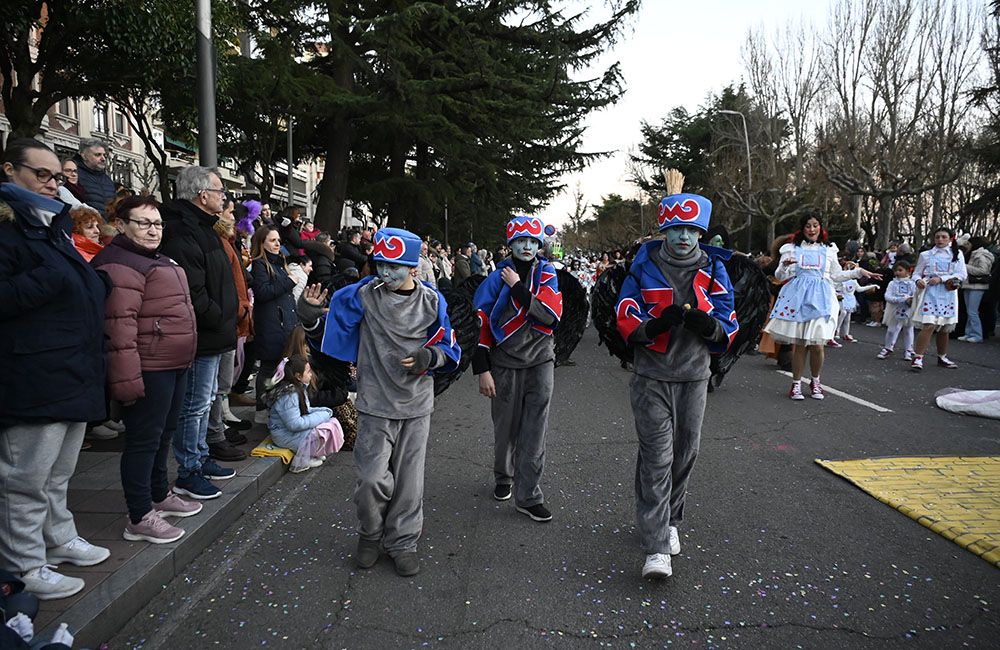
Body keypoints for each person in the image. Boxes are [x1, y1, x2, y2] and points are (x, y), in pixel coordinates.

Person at [0, 139, 111, 599]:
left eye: (56, 175)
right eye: (41, 174)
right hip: (33, 375)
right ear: (10, 170)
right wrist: (55, 278)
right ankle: (25, 566)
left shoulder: (52, 226)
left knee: (57, 473)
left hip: (70, 367)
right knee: (25, 480)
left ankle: (58, 539)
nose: (54, 182)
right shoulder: (10, 231)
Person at [614, 179, 739, 579]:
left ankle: (668, 520)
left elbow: (728, 319)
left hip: (694, 377)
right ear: (663, 231)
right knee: (657, 457)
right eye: (676, 229)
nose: (684, 237)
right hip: (651, 376)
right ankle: (655, 548)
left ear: (701, 233)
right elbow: (626, 314)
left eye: (691, 230)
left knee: (685, 454)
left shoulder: (715, 268)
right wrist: (653, 326)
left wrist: (712, 327)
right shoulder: (643, 267)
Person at [320, 228, 461, 577]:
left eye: (395, 266)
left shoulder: (432, 301)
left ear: (413, 266)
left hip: (415, 406)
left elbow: (450, 347)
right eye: (381, 264)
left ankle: (402, 542)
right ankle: (370, 534)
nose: (386, 273)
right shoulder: (364, 295)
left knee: (410, 484)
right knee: (371, 479)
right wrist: (307, 313)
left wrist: (431, 357)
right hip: (374, 404)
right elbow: (332, 319)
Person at [91, 195, 203, 544]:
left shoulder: (154, 257)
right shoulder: (120, 263)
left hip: (174, 364)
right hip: (149, 367)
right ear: (122, 225)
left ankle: (159, 494)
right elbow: (120, 329)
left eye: (157, 223)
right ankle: (139, 515)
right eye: (144, 223)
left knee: (163, 434)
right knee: (143, 441)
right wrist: (127, 380)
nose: (153, 230)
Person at [473, 216, 563, 523]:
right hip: (504, 363)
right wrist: (482, 368)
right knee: (505, 429)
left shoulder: (548, 273)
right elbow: (481, 323)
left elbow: (550, 316)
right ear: (510, 245)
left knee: (535, 430)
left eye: (532, 241)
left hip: (540, 360)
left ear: (539, 246)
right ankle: (504, 476)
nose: (527, 246)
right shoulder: (494, 278)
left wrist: (518, 288)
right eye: (520, 241)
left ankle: (529, 495)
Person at [159, 166, 239, 500]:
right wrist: (218, 317)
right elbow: (193, 289)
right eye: (221, 190)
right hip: (204, 333)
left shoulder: (204, 228)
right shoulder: (182, 230)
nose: (225, 197)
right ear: (202, 195)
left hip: (214, 331)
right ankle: (188, 471)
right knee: (194, 405)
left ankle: (200, 457)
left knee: (204, 402)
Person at [763, 215, 881, 400]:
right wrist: (784, 266)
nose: (812, 229)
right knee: (801, 344)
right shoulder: (791, 249)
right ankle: (796, 384)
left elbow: (836, 275)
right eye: (808, 226)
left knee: (817, 344)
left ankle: (815, 380)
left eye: (815, 225)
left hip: (823, 298)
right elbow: (779, 273)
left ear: (820, 228)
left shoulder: (828, 250)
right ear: (802, 229)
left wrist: (859, 272)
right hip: (798, 298)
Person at [204, 196, 252, 463]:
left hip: (230, 319)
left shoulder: (227, 242)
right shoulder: (219, 243)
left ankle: (219, 426)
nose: (234, 218)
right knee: (211, 387)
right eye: (230, 212)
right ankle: (214, 434)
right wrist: (237, 309)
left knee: (220, 383)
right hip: (224, 320)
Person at [250, 226, 298, 423]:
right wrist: (289, 281)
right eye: (272, 240)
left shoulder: (280, 262)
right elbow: (262, 292)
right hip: (270, 325)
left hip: (284, 324)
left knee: (281, 365)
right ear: (262, 243)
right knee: (268, 367)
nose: (277, 244)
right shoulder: (260, 264)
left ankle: (276, 408)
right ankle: (261, 409)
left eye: (279, 240)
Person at [264, 355, 343, 473]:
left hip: (288, 432)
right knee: (324, 430)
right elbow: (295, 424)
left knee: (331, 422)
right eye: (308, 371)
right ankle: (304, 457)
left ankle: (311, 452)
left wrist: (325, 412)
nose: (311, 374)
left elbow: (306, 409)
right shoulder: (289, 395)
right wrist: (323, 415)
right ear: (298, 376)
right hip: (284, 435)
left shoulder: (298, 388)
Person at [910, 227, 967, 371]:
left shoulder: (957, 254)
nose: (940, 240)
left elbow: (962, 274)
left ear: (950, 238)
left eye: (943, 237)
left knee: (944, 328)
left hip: (948, 294)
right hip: (929, 293)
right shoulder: (926, 255)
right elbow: (916, 274)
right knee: (929, 325)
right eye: (937, 237)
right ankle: (918, 357)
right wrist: (918, 281)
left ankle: (942, 356)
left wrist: (942, 278)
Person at [829, 261, 877, 346]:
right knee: (842, 313)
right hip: (842, 298)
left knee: (848, 317)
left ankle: (846, 334)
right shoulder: (841, 279)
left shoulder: (854, 281)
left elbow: (859, 289)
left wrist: (872, 286)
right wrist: (837, 294)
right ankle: (836, 330)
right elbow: (835, 287)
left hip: (850, 299)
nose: (850, 268)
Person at [877, 261, 917, 360]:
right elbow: (887, 296)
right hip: (894, 309)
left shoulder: (912, 284)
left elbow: (916, 295)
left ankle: (908, 349)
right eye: (896, 270)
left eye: (900, 270)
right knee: (891, 329)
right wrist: (900, 299)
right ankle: (888, 347)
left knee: (908, 329)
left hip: (908, 309)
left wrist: (910, 300)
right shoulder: (892, 283)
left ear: (908, 271)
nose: (897, 273)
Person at [958, 237, 995, 344]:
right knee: (970, 311)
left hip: (977, 286)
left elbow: (983, 270)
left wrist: (965, 267)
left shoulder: (982, 255)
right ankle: (969, 333)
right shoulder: (973, 254)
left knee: (972, 311)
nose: (966, 246)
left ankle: (976, 334)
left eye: (968, 244)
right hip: (969, 285)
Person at [72, 138, 116, 217]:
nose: (103, 159)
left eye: (104, 155)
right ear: (84, 156)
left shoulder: (107, 179)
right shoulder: (74, 175)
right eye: (98, 155)